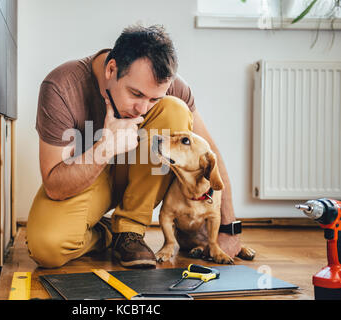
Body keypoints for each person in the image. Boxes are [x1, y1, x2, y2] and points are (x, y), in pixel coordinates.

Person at [27, 24, 241, 268]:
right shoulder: (62, 86)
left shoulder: (172, 88)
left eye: (153, 99)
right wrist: (104, 148)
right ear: (111, 69)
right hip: (88, 174)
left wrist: (229, 228)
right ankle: (106, 233)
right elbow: (54, 186)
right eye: (135, 94)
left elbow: (208, 152)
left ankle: (129, 232)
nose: (142, 108)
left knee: (174, 109)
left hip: (143, 173)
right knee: (46, 246)